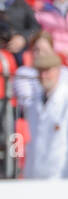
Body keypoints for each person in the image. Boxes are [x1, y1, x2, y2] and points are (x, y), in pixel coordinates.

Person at [23, 46, 68, 177]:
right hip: (36, 172)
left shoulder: (65, 100)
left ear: (58, 71)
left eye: (47, 71)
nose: (43, 76)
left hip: (60, 172)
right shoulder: (33, 101)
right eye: (40, 71)